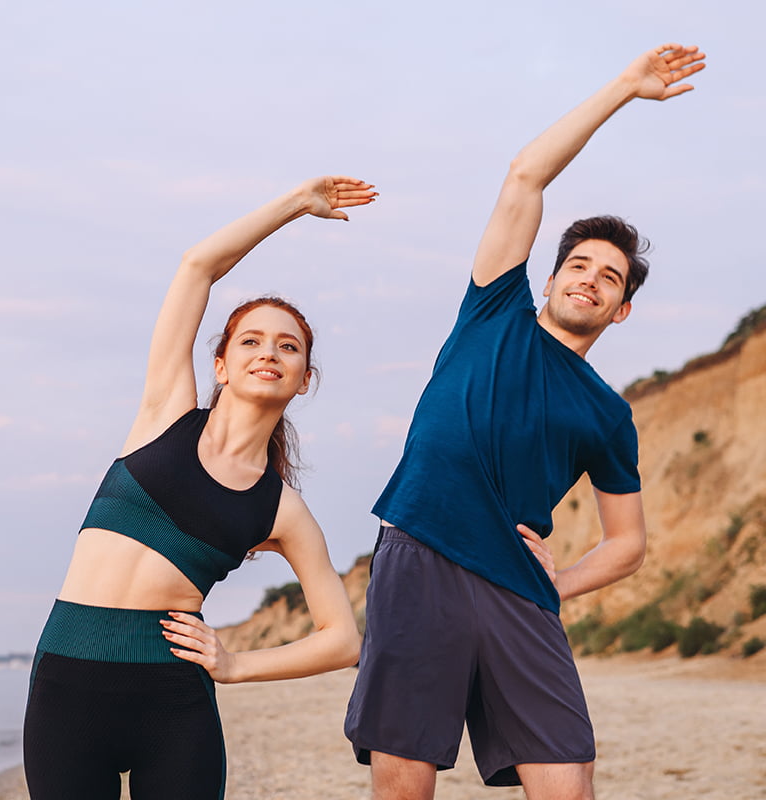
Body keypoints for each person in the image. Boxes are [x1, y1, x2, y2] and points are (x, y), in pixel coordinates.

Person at [345, 44, 706, 800]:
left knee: (568, 777)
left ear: (622, 308)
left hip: (519, 591)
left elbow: (630, 542)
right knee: (404, 777)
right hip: (423, 553)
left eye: (609, 277)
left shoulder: (608, 412)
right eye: (580, 264)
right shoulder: (492, 309)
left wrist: (563, 580)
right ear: (551, 275)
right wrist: (624, 90)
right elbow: (526, 174)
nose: (591, 278)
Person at [23, 175, 376, 800]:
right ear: (221, 365)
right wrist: (297, 204)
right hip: (67, 690)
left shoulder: (282, 509)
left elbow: (343, 640)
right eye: (251, 340)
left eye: (288, 347)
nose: (269, 352)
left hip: (174, 702)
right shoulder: (165, 415)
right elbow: (197, 267)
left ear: (303, 380)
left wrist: (236, 664)